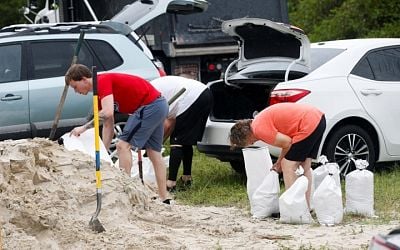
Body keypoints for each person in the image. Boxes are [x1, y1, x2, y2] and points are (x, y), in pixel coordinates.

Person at [65, 64, 171, 204]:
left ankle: (125, 190)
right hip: (158, 105)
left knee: (122, 145)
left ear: (84, 79)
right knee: (153, 153)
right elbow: (108, 123)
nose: (76, 91)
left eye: (75, 87)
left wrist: (83, 128)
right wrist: (104, 153)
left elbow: (107, 112)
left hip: (149, 106)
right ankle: (165, 198)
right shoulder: (98, 94)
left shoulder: (102, 81)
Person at [229, 102, 326, 208]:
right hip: (318, 119)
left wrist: (279, 162)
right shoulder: (258, 121)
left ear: (246, 136)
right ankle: (306, 207)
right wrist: (280, 162)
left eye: (247, 143)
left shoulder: (259, 129)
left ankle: (293, 207)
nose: (252, 143)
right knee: (305, 166)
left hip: (308, 123)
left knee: (288, 166)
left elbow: (287, 143)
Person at [150, 75, 213, 192]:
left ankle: (170, 183)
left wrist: (155, 145)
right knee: (185, 140)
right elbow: (170, 123)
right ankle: (186, 178)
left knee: (177, 141)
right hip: (205, 93)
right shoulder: (156, 88)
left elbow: (167, 124)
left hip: (191, 97)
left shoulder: (151, 97)